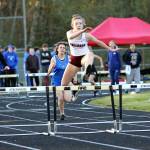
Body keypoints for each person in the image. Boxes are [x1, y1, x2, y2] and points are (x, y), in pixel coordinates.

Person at [61, 14, 115, 87]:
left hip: (84, 58)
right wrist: (82, 31)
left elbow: (98, 42)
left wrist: (109, 48)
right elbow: (71, 37)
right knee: (63, 84)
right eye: (76, 24)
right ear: (72, 25)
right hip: (74, 60)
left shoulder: (87, 35)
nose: (78, 25)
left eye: (80, 23)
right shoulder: (69, 33)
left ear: (83, 24)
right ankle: (74, 90)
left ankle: (86, 72)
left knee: (90, 54)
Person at [47, 42, 73, 120]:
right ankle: (62, 113)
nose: (62, 49)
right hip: (57, 81)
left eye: (63, 48)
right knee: (61, 98)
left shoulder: (68, 58)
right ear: (57, 49)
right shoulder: (54, 58)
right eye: (60, 47)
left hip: (66, 81)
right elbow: (48, 72)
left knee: (68, 99)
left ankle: (61, 100)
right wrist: (51, 68)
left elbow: (72, 69)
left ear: (65, 50)